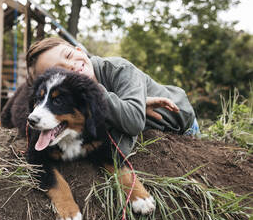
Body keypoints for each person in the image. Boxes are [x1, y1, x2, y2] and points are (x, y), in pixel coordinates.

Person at [26, 37, 199, 158]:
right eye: (60, 71)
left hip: (181, 121)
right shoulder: (72, 101)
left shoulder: (119, 68)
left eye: (69, 55)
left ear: (79, 50)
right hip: (144, 125)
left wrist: (94, 91)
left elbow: (133, 123)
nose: (71, 66)